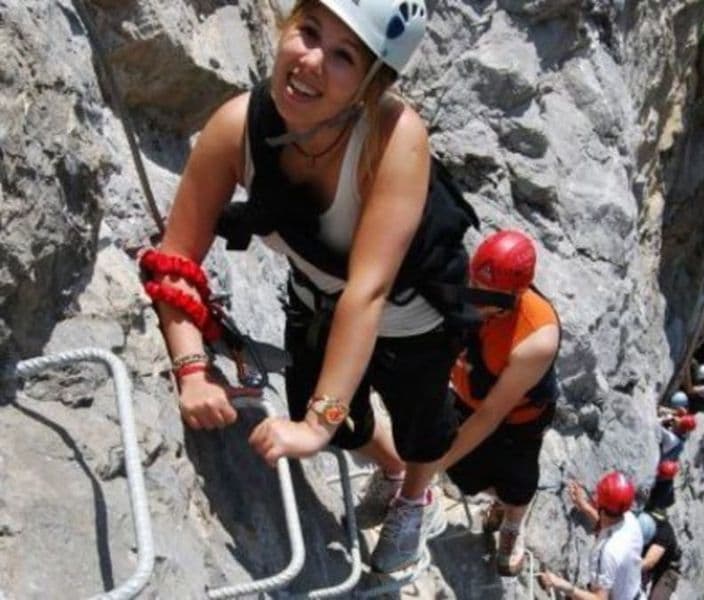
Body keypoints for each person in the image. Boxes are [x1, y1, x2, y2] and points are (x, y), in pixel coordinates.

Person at [151, 0, 464, 574]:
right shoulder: (236, 128)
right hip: (321, 298)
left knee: (422, 424)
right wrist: (191, 368)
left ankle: (417, 499)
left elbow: (368, 292)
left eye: (344, 56)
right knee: (344, 426)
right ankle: (392, 469)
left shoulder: (394, 138)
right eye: (309, 32)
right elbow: (175, 259)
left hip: (412, 313)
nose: (312, 61)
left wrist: (315, 426)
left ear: (372, 85)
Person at [433, 230, 561, 576]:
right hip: (465, 395)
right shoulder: (467, 286)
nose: (475, 296)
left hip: (518, 418)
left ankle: (512, 524)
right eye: (474, 282)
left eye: (486, 294)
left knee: (517, 479)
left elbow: (491, 414)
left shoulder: (536, 336)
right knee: (463, 471)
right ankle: (498, 503)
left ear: (515, 294)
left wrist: (429, 468)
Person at [539, 472, 643, 599]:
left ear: (601, 507)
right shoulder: (631, 521)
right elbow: (608, 526)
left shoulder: (606, 552)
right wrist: (584, 506)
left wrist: (561, 584)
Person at [637, 510, 682, 599]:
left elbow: (648, 563)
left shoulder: (663, 532)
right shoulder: (637, 520)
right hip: (644, 559)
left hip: (667, 569)